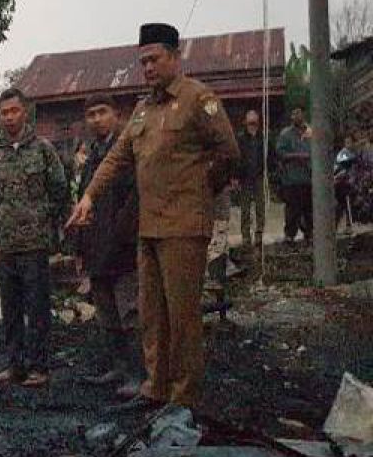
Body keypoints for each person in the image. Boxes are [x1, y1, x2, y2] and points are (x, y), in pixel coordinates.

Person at [68, 22, 239, 409]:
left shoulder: (199, 99)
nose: (147, 67)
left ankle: (183, 398)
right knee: (151, 315)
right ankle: (155, 389)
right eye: (142, 61)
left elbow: (228, 153)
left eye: (154, 59)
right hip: (149, 228)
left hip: (184, 227)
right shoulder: (143, 110)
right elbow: (116, 157)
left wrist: (199, 190)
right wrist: (89, 196)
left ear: (175, 58)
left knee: (182, 318)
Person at [0, 87, 69, 388]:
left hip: (34, 245)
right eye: (4, 113)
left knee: (38, 306)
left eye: (14, 111)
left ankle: (39, 367)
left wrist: (49, 226)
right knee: (11, 308)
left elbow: (59, 191)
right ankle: (14, 364)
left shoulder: (42, 150)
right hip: (4, 247)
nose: (9, 118)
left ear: (24, 112)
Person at [73, 94, 142, 395]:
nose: (97, 119)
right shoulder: (91, 156)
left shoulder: (128, 150)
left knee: (131, 314)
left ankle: (140, 375)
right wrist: (80, 246)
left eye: (102, 112)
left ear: (116, 114)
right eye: (91, 114)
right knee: (107, 315)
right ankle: (118, 368)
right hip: (97, 249)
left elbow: (135, 200)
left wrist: (123, 236)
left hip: (124, 248)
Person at [276, 106, 314, 245]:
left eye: (298, 113)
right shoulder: (285, 134)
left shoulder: (310, 131)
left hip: (308, 178)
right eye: (293, 113)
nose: (296, 116)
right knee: (292, 209)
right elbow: (280, 154)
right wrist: (297, 156)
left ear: (303, 114)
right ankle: (289, 235)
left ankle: (309, 233)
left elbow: (317, 150)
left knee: (309, 209)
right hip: (292, 179)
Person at [235, 110, 267, 249]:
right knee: (245, 209)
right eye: (250, 123)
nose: (252, 125)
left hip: (259, 176)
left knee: (260, 207)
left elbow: (269, 155)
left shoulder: (263, 138)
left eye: (254, 122)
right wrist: (235, 176)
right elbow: (236, 158)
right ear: (245, 123)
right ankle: (246, 236)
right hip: (245, 177)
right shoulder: (240, 139)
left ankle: (259, 234)